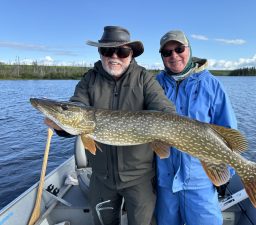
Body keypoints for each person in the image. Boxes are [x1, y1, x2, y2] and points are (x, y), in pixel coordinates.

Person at [45, 26, 175, 225]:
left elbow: (165, 110)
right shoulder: (90, 79)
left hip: (139, 178)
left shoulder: (144, 78)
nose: (114, 56)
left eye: (122, 52)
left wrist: (161, 130)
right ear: (100, 52)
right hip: (101, 178)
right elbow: (77, 107)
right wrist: (61, 126)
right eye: (107, 50)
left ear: (131, 55)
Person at [155, 30, 237, 225]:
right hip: (165, 182)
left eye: (179, 49)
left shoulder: (211, 84)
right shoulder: (154, 85)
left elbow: (228, 130)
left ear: (189, 50)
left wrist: (227, 174)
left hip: (200, 181)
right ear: (162, 57)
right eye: (167, 53)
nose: (174, 55)